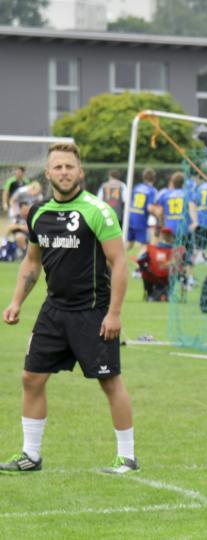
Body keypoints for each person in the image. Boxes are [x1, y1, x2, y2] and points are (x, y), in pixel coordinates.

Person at [1, 142, 138, 475]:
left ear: (80, 172)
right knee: (31, 378)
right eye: (58, 167)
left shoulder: (98, 211)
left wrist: (114, 313)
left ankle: (127, 457)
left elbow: (119, 262)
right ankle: (30, 455)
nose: (64, 172)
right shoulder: (38, 213)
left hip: (93, 312)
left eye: (69, 167)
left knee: (109, 382)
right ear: (48, 173)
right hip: (53, 311)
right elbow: (32, 262)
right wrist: (16, 301)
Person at [127, 168, 158, 249]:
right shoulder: (152, 190)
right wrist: (158, 216)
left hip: (130, 217)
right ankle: (142, 257)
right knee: (145, 245)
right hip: (141, 219)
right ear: (154, 178)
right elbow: (150, 207)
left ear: (143, 177)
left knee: (129, 243)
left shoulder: (137, 187)